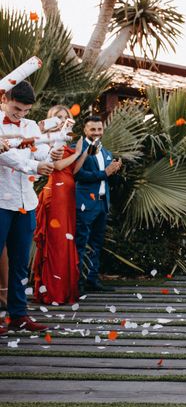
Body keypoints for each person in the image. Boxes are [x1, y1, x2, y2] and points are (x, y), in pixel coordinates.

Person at [0, 81, 62, 333]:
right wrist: (35, 167)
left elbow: (41, 150)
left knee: (20, 260)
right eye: (17, 109)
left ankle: (18, 313)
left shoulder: (32, 125)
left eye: (25, 111)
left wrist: (50, 156)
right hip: (1, 201)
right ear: (5, 99)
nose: (21, 115)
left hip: (26, 201)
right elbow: (6, 155)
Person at [32, 106, 86, 304]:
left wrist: (84, 153)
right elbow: (57, 166)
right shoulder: (49, 142)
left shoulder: (66, 141)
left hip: (67, 195)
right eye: (58, 117)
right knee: (56, 243)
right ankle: (53, 292)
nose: (63, 120)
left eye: (66, 117)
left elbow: (73, 170)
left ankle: (63, 290)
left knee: (65, 241)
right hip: (55, 194)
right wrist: (78, 152)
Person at [74, 115, 121, 294]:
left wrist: (114, 170)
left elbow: (108, 177)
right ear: (85, 130)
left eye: (99, 129)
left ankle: (92, 280)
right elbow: (78, 175)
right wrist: (104, 173)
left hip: (102, 203)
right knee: (81, 243)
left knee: (96, 243)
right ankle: (77, 282)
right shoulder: (79, 149)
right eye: (92, 129)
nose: (96, 132)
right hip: (86, 203)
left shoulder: (105, 151)